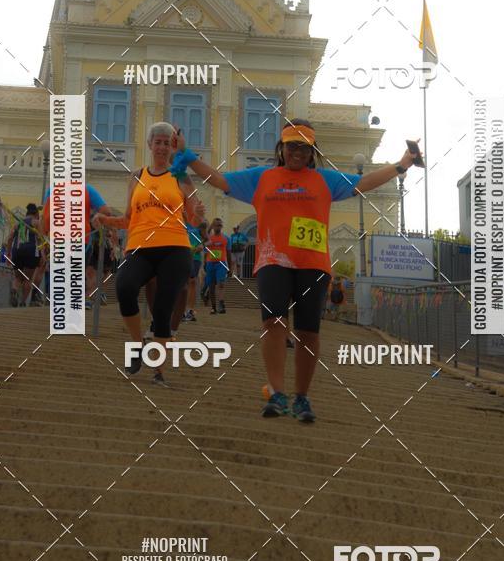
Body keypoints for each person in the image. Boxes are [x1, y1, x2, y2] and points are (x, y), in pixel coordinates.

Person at [172, 119, 420, 421]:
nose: (297, 153)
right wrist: (189, 156)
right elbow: (220, 180)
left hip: (312, 265)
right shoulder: (262, 178)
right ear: (282, 148)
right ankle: (277, 393)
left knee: (308, 332)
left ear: (312, 150)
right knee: (273, 323)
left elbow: (363, 182)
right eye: (292, 146)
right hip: (273, 261)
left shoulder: (325, 180)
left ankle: (301, 396)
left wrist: (402, 165)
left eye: (303, 147)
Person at [93, 122, 204, 387]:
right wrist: (104, 220)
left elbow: (194, 219)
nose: (163, 147)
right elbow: (128, 220)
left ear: (173, 147)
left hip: (175, 248)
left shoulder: (181, 177)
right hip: (140, 246)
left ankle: (159, 372)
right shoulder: (136, 176)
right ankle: (137, 343)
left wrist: (198, 215)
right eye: (159, 142)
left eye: (168, 143)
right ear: (150, 145)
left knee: (163, 309)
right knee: (125, 287)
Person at [203, 217, 232, 314]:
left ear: (222, 226)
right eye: (216, 225)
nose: (218, 227)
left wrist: (230, 268)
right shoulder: (209, 238)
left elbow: (229, 254)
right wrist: (204, 264)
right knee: (211, 286)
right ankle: (213, 307)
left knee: (221, 284)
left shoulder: (226, 238)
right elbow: (205, 251)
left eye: (220, 225)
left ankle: (221, 304)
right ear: (213, 226)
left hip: (221, 264)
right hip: (210, 264)